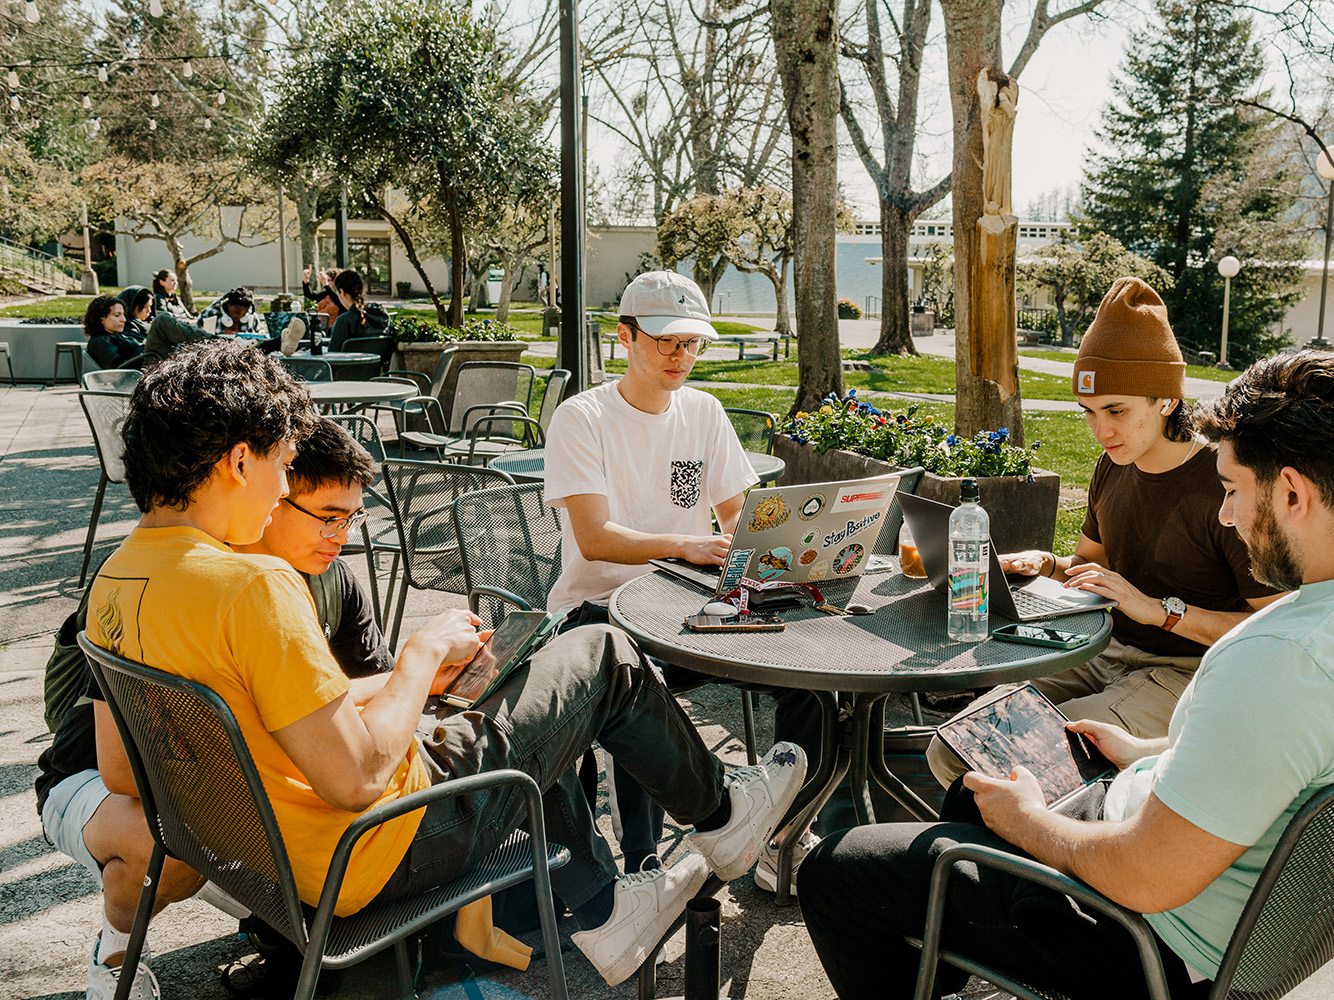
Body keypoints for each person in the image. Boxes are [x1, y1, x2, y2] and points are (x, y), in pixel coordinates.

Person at [83, 340, 807, 989]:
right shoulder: (254, 587)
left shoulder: (114, 582)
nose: (280, 491)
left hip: (272, 860)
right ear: (241, 459)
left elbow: (124, 773)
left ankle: (611, 904)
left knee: (520, 698)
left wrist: (405, 689)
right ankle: (720, 817)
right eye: (279, 466)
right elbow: (360, 776)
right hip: (374, 852)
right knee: (599, 652)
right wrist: (420, 655)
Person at [800, 350, 1334, 1000]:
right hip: (1269, 917)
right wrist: (1150, 751)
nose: (1225, 514)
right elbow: (1297, 758)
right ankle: (941, 952)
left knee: (837, 871)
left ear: (1294, 493)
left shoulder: (1282, 658)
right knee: (972, 792)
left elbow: (1145, 878)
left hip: (1153, 944)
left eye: (1233, 489)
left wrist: (1035, 825)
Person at [37, 418, 391, 1000]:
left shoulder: (331, 581)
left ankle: (294, 934)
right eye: (327, 516)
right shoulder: (193, 584)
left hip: (218, 780)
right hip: (110, 780)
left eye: (354, 517)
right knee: (181, 841)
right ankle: (116, 949)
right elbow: (125, 767)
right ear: (262, 489)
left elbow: (360, 691)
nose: (343, 536)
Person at [927, 277, 1281, 788]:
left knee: (1017, 766)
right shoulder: (1113, 464)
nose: (1101, 431)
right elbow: (1095, 571)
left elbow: (1269, 632)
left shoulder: (1224, 483)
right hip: (1100, 650)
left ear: (1165, 399)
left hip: (1187, 675)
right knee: (955, 748)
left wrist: (1160, 612)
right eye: (1090, 413)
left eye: (1116, 411)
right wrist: (1047, 565)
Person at [543, 270, 822, 891]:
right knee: (643, 691)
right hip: (599, 613)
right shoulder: (582, 417)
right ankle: (644, 863)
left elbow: (739, 520)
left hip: (692, 608)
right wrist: (687, 544)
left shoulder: (704, 410)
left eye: (692, 343)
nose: (681, 356)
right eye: (667, 341)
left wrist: (798, 548)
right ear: (625, 337)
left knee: (807, 679)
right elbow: (595, 538)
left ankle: (784, 838)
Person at [327, 268, 390, 351]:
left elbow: (333, 354)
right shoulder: (381, 315)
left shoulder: (344, 321)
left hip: (349, 363)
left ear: (341, 292)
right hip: (378, 364)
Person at [82, 295, 143, 370]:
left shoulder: (121, 335)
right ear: (101, 319)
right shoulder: (101, 342)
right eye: (117, 315)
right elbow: (117, 369)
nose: (123, 319)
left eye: (124, 315)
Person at [196, 286, 265, 337]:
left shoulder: (251, 316)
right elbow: (196, 337)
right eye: (236, 312)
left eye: (244, 314)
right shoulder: (209, 314)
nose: (240, 316)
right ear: (228, 305)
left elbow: (261, 337)